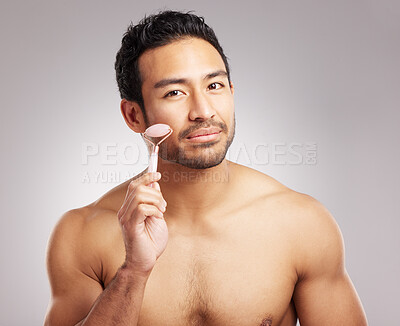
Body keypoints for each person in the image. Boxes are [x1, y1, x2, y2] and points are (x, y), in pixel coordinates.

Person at [44, 10, 368, 326]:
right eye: (175, 92)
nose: (203, 110)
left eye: (214, 86)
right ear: (133, 115)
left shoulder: (302, 223)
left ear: (231, 91)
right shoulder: (82, 235)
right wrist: (133, 272)